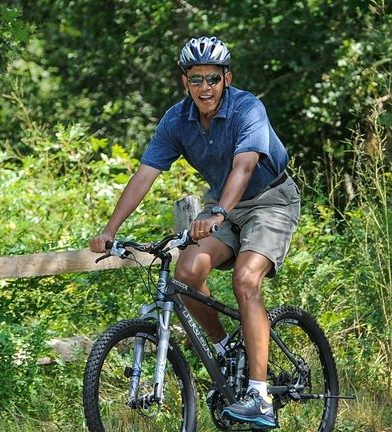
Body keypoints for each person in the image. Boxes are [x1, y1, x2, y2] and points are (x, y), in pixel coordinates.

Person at [89, 36, 300, 427]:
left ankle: (259, 395)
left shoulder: (247, 107)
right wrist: (109, 229)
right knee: (187, 272)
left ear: (227, 78)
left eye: (214, 79)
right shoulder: (176, 120)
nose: (206, 87)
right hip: (223, 206)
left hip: (270, 200)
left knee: (246, 279)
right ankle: (224, 349)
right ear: (185, 81)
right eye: (197, 78)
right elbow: (144, 176)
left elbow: (245, 167)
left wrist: (219, 211)